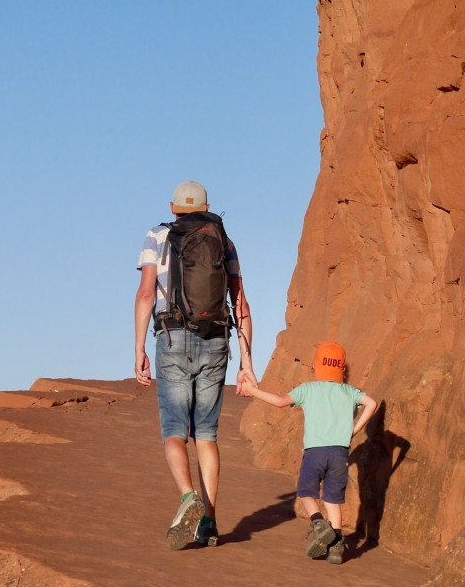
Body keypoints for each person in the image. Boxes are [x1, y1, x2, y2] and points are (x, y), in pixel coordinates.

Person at [134, 180, 254, 549]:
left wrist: (138, 347)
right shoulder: (225, 240)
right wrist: (247, 362)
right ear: (206, 206)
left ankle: (188, 496)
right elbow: (241, 305)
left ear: (173, 208)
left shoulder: (158, 235)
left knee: (173, 429)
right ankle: (210, 522)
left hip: (172, 338)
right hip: (216, 340)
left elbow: (144, 294)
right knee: (207, 434)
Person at [239, 341, 378, 564]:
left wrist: (252, 390)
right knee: (333, 500)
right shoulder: (350, 392)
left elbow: (279, 402)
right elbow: (371, 404)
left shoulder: (308, 389)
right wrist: (354, 430)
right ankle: (336, 546)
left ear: (316, 367)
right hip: (340, 453)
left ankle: (318, 523)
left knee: (306, 492)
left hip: (315, 452)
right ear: (341, 369)